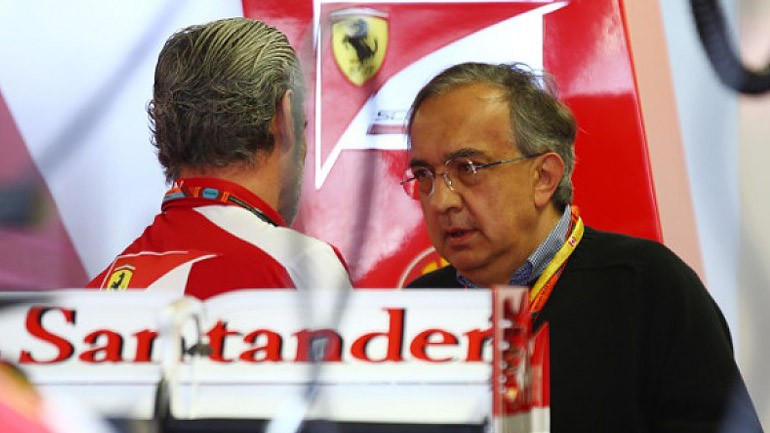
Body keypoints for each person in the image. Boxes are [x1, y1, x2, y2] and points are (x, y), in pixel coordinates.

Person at [403, 62, 763, 432]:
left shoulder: (647, 286)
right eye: (424, 175)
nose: (440, 200)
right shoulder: (415, 311)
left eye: (467, 168)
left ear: (543, 178)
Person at [88, 18, 351, 298]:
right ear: (284, 118)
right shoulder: (304, 265)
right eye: (303, 124)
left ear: (165, 125)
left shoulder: (95, 295)